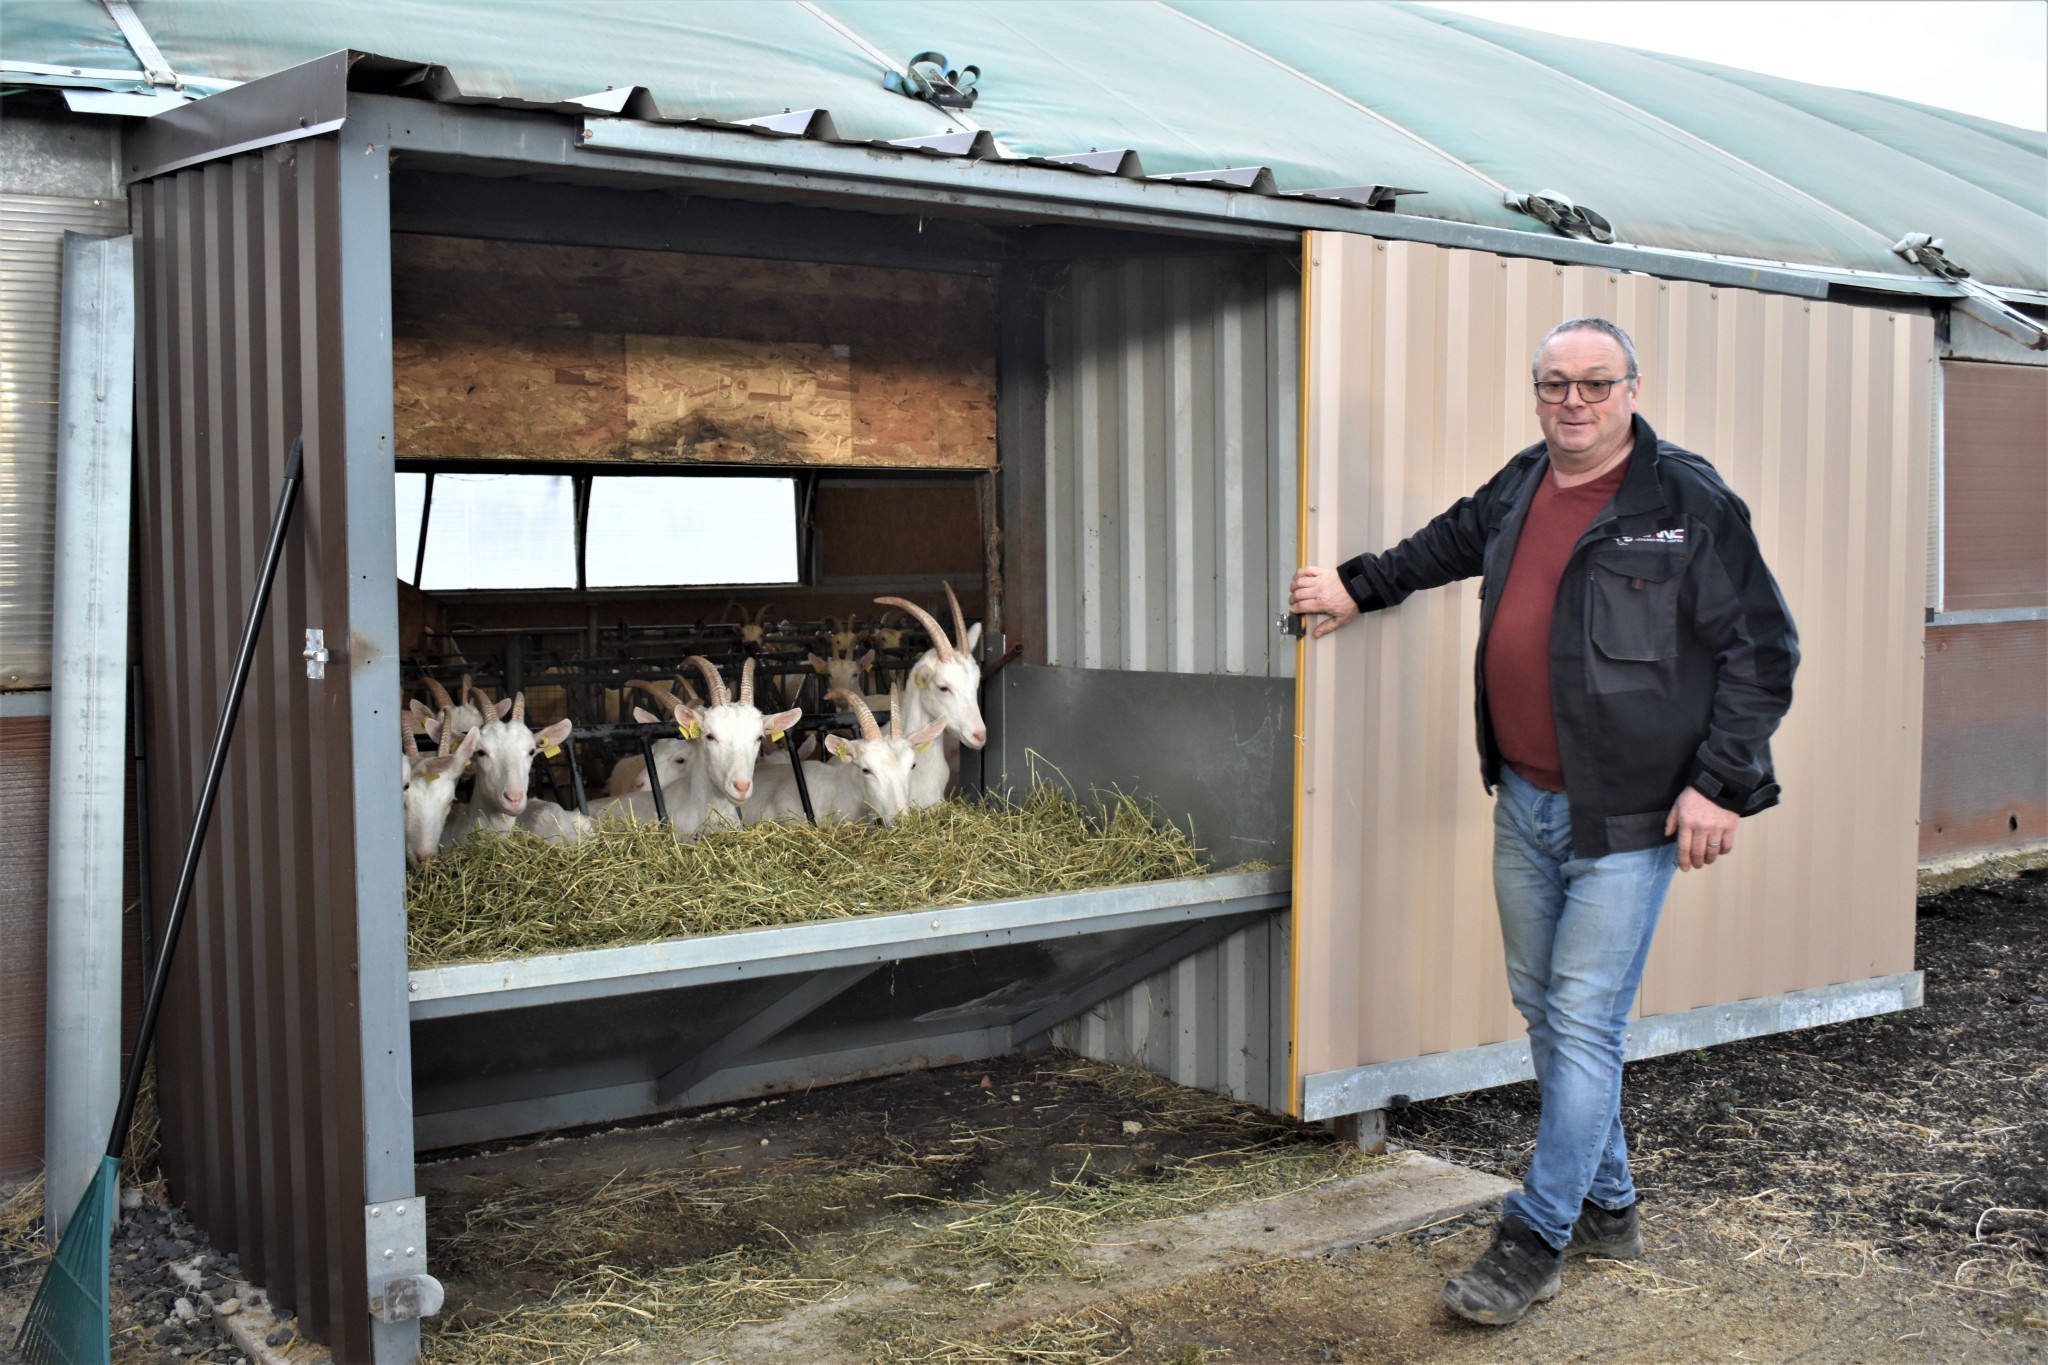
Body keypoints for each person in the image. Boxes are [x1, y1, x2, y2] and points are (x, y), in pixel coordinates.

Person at [1289, 317, 1798, 1326]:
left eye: (1593, 385)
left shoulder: (1684, 501)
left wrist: (1719, 784)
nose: (1573, 402)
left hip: (1631, 812)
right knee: (1550, 1013)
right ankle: (1606, 1204)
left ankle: (1533, 1239)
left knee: (1579, 1019)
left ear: (1631, 390)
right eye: (1554, 385)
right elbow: (1447, 540)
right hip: (1524, 796)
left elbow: (1760, 650)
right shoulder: (1524, 480)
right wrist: (1356, 584)